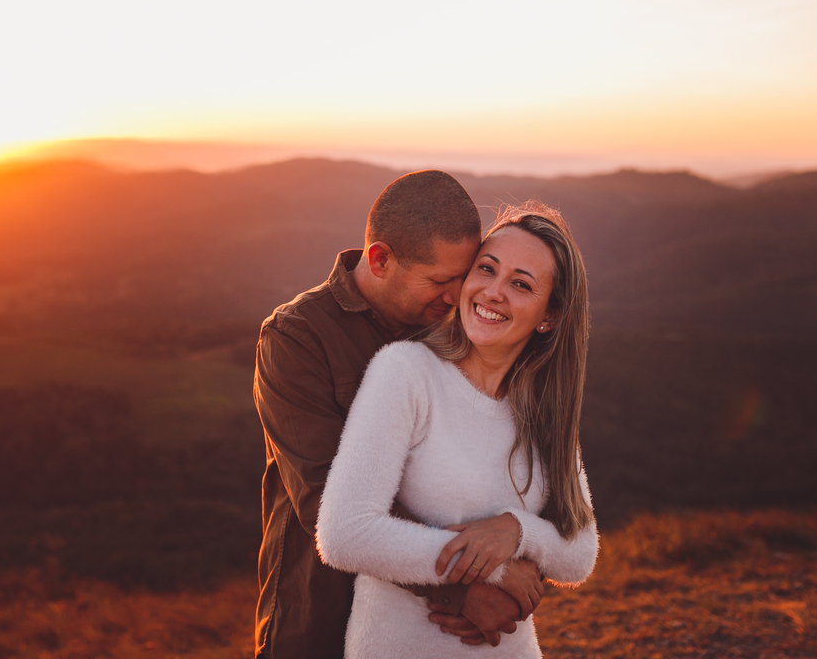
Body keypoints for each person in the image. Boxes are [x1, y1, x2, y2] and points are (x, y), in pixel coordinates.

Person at [253, 171, 547, 659]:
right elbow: (325, 497)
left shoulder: (461, 331)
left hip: (433, 633)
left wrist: (519, 542)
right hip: (322, 615)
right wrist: (471, 583)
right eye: (440, 280)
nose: (458, 296)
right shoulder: (297, 338)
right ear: (380, 259)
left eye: (465, 275)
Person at [316, 201, 599, 658]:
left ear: (550, 316)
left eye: (521, 284)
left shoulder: (543, 407)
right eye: (486, 269)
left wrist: (517, 532)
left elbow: (579, 553)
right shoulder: (406, 372)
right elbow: (344, 534)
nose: (493, 292)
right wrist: (492, 570)